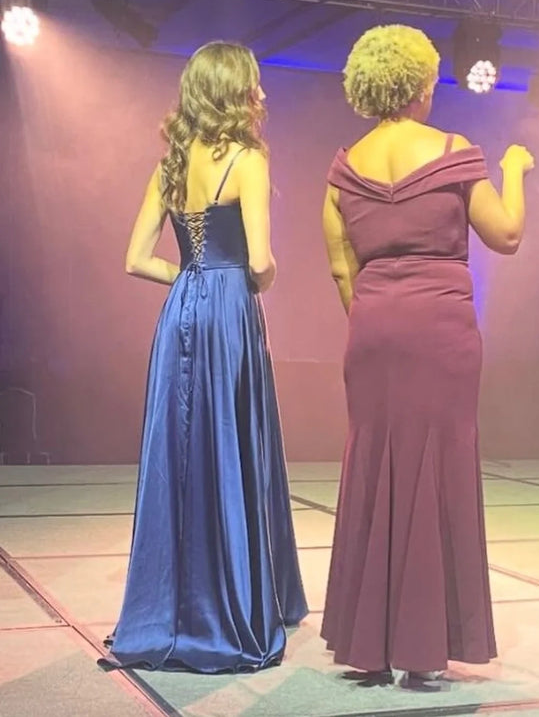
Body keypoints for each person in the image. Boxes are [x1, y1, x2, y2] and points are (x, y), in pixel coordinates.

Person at [321, 24, 533, 689]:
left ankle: (369, 644)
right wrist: (515, 169)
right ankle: (426, 643)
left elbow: (342, 270)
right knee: (438, 465)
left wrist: (379, 318)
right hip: (439, 329)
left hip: (373, 329)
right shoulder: (454, 151)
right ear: (418, 83)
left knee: (373, 464)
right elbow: (507, 235)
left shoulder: (342, 169)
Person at [100, 41, 307, 674]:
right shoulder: (248, 159)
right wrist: (240, 280)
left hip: (181, 313)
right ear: (232, 91)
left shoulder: (169, 165)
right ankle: (233, 608)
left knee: (183, 453)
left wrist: (191, 277)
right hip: (229, 315)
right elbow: (261, 263)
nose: (262, 94)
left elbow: (136, 260)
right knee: (229, 447)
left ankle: (172, 606)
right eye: (254, 83)